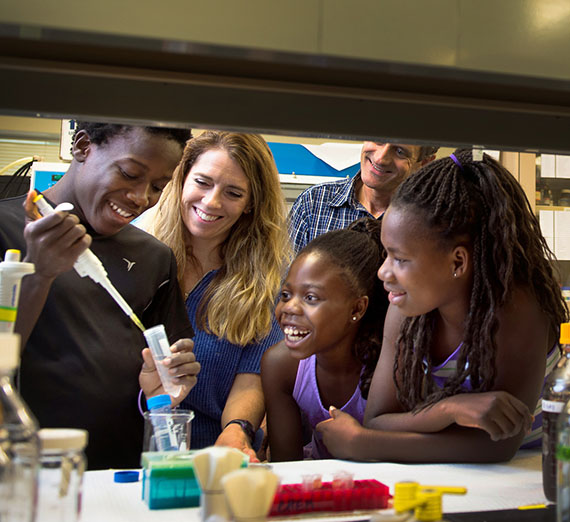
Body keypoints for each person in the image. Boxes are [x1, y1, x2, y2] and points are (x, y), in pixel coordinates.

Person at [316, 149, 569, 463]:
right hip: (456, 474)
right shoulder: (404, 313)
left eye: (401, 259)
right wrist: (450, 409)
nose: (383, 272)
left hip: (533, 472)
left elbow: (497, 445)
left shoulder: (517, 311)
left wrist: (365, 445)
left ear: (457, 262)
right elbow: (379, 419)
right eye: (386, 254)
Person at [0, 122, 201, 470]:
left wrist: (164, 389)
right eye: (128, 173)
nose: (141, 198)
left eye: (157, 186)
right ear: (82, 146)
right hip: (25, 474)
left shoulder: (154, 258)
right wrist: (39, 273)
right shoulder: (6, 230)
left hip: (121, 472)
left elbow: (159, 390)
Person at [147, 130, 290, 460]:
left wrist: (237, 430)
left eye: (233, 192)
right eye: (202, 182)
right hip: (133, 448)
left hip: (213, 455)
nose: (211, 202)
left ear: (251, 203)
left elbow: (252, 377)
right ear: (181, 178)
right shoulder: (139, 258)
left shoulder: (266, 281)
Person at [261, 217, 386, 461]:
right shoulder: (280, 365)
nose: (289, 308)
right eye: (286, 294)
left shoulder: (390, 365)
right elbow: (287, 468)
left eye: (311, 297)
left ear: (357, 309)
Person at [288, 142, 439, 254]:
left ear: (424, 164)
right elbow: (283, 286)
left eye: (400, 151)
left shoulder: (430, 220)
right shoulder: (313, 203)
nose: (380, 158)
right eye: (378, 140)